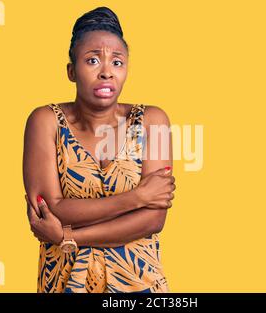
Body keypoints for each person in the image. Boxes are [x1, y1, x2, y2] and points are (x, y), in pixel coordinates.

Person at [22, 6, 175, 293]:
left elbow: (154, 219)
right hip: (66, 282)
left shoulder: (154, 120)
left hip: (138, 284)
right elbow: (52, 209)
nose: (106, 72)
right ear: (71, 70)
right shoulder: (45, 121)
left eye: (117, 62)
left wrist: (68, 237)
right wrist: (139, 197)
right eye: (92, 60)